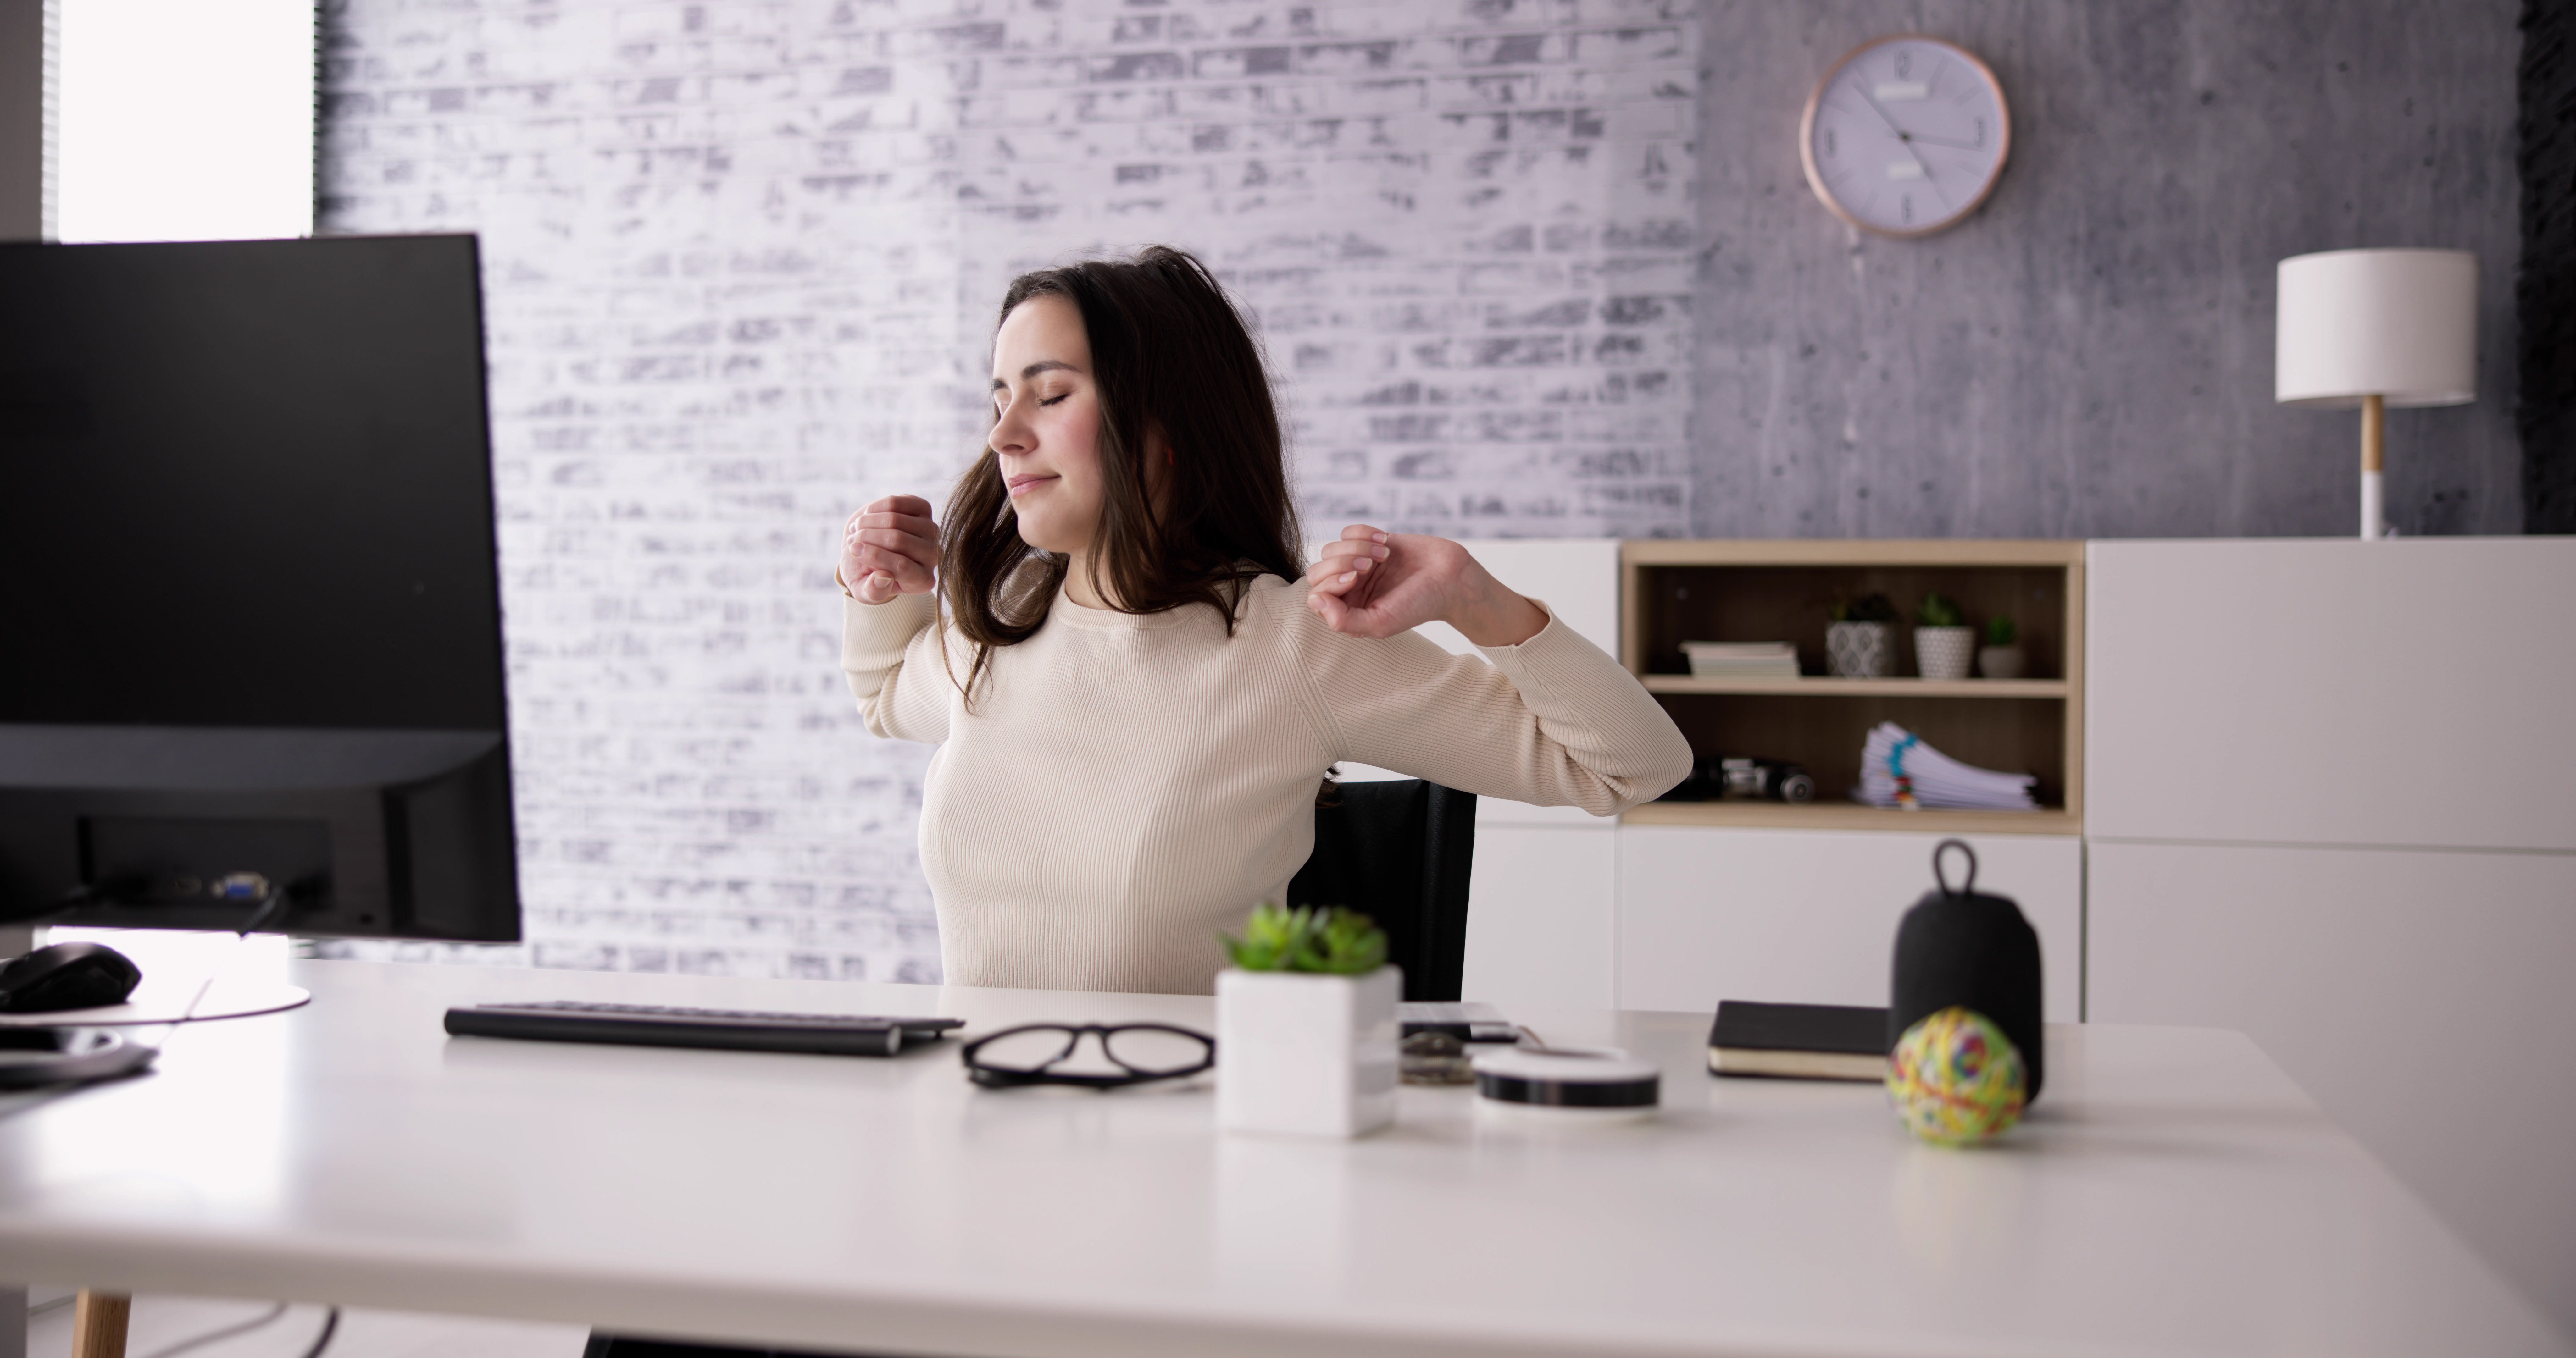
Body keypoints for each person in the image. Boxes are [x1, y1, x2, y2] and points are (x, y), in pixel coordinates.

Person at [838, 246, 1690, 996]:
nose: (1004, 436)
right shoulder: (1008, 626)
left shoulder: (1295, 646)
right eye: (999, 402)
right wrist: (883, 592)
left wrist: (1475, 599)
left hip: (1184, 1147)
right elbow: (884, 698)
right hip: (982, 1133)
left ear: (1167, 427)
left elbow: (1631, 768)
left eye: (1050, 394)